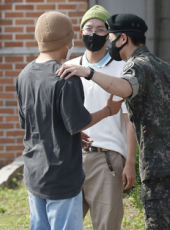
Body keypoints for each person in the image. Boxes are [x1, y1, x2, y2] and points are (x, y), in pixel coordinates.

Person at [57, 13, 170, 230]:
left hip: (156, 167)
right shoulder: (163, 66)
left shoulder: (136, 66)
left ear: (123, 38)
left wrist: (89, 73)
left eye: (109, 36)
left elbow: (124, 88)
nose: (107, 41)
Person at [16, 11, 124, 230]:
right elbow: (78, 122)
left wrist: (72, 133)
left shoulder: (24, 75)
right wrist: (107, 110)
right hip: (62, 174)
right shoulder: (66, 76)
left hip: (34, 171)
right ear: (69, 41)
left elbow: (31, 122)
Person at [64, 5, 137, 230]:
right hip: (71, 158)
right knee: (64, 224)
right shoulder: (69, 67)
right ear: (81, 32)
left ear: (109, 35)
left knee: (107, 225)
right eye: (88, 28)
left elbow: (129, 120)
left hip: (107, 160)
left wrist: (130, 162)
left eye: (100, 29)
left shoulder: (122, 69)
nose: (93, 33)